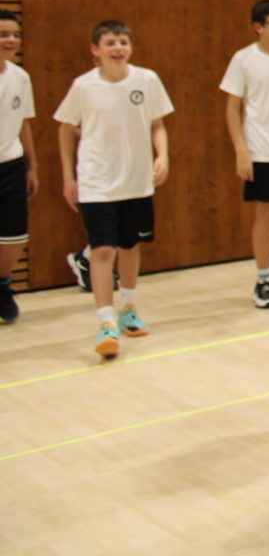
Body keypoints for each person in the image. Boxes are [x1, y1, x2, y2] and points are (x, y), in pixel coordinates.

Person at [55, 20, 174, 357]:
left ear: (130, 47)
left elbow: (157, 125)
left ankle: (128, 308)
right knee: (103, 251)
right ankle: (105, 322)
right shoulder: (83, 86)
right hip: (97, 182)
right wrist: (68, 177)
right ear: (96, 50)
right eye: (110, 43)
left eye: (123, 42)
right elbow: (65, 129)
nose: (118, 48)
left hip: (137, 181)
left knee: (130, 246)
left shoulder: (146, 80)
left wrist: (162, 156)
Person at [220, 0, 269, 309]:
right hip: (261, 150)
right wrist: (241, 150)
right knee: (264, 213)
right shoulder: (244, 59)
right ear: (258, 27)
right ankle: (263, 279)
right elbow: (232, 107)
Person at [0, 9, 38, 323]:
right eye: (3, 34)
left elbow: (24, 123)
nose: (11, 40)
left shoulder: (20, 77)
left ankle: (2, 285)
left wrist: (31, 167)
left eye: (15, 35)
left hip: (11, 164)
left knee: (15, 236)